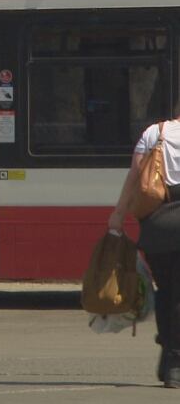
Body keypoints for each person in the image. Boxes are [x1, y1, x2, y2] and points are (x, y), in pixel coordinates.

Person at [109, 115, 180, 388]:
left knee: (165, 291)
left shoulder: (155, 132)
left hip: (158, 226)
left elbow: (135, 176)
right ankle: (174, 362)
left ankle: (168, 358)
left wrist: (118, 215)